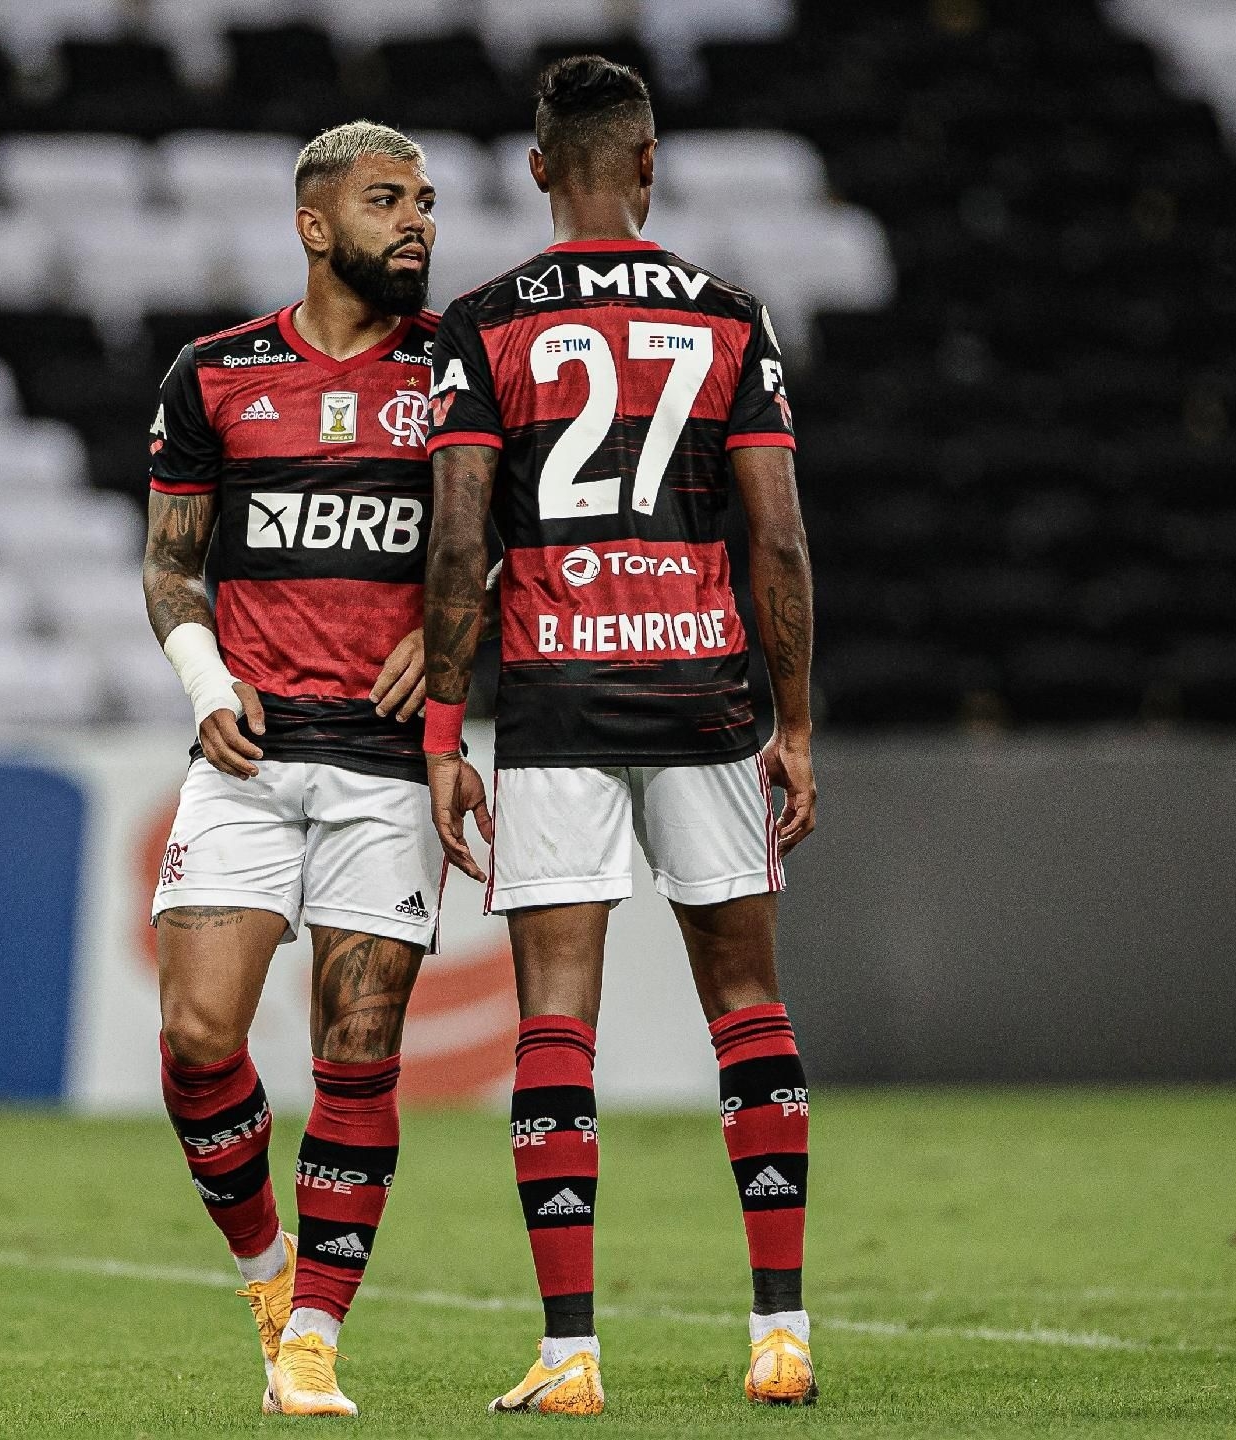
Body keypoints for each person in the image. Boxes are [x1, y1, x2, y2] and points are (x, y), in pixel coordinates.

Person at [419, 57, 821, 1414]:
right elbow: (777, 538)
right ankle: (782, 1333)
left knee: (556, 1023)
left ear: (539, 170)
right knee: (749, 1010)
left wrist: (437, 727)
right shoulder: (727, 317)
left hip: (557, 698)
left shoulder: (483, 326)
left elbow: (462, 536)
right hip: (707, 693)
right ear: (648, 163)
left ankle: (572, 1354)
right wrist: (799, 725)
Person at [142, 121, 449, 1419]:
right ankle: (268, 1277)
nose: (419, 223)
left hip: (387, 767)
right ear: (317, 227)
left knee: (359, 1048)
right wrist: (211, 689)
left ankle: (313, 1340)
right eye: (389, 201)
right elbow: (169, 564)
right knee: (198, 1034)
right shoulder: (214, 375)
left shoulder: (456, 376)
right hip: (250, 756)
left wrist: (451, 634)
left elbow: (513, 539)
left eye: (427, 201)